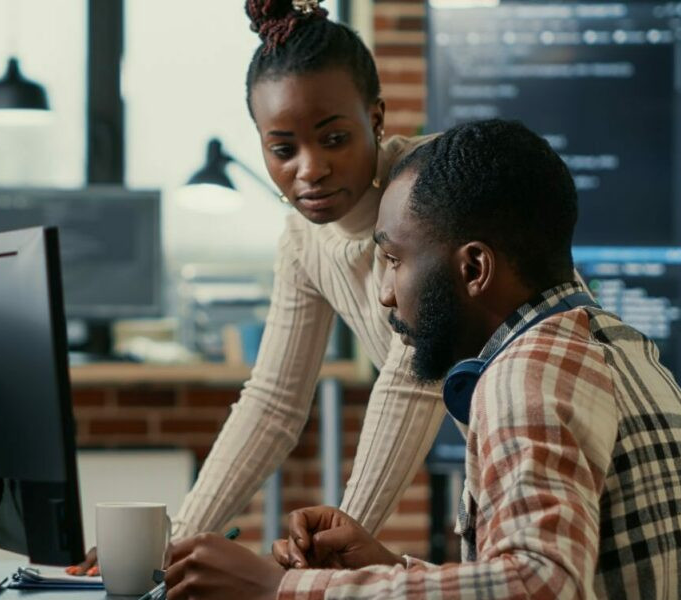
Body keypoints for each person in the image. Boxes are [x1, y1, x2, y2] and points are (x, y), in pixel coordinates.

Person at [161, 119, 681, 599]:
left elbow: (543, 585)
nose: (386, 293)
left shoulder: (525, 375)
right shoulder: (610, 343)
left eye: (393, 261)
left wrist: (281, 591)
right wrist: (387, 566)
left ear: (473, 269)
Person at [71, 0, 446, 572]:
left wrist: (331, 556)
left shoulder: (430, 190)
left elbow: (414, 380)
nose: (309, 169)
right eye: (282, 149)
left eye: (334, 138)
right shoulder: (303, 240)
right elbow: (273, 402)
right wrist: (169, 547)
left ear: (375, 118)